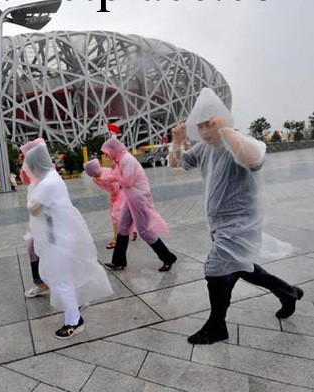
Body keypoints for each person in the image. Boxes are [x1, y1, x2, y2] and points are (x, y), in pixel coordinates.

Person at [168, 87, 303, 345]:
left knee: (215, 270)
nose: (205, 131)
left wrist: (225, 131)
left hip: (241, 222)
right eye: (201, 126)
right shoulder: (204, 148)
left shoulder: (237, 140)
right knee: (241, 267)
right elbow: (177, 165)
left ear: (221, 119)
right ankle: (288, 292)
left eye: (209, 124)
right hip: (219, 223)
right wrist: (175, 141)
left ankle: (216, 326)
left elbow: (254, 158)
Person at [24, 142, 113, 338]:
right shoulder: (52, 177)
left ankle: (74, 321)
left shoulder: (47, 183)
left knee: (60, 278)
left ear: (36, 167)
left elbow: (33, 209)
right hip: (59, 235)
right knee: (63, 276)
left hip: (57, 238)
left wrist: (31, 197)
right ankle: (75, 309)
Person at [100, 136, 177, 272]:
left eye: (108, 152)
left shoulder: (127, 160)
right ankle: (118, 261)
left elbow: (128, 181)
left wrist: (115, 178)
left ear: (114, 149)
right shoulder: (120, 160)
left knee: (144, 231)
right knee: (123, 227)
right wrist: (103, 178)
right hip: (130, 199)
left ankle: (168, 257)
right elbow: (116, 177)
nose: (107, 155)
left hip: (139, 199)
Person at [20, 139, 50, 298]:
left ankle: (42, 283)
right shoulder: (37, 176)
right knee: (34, 250)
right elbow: (25, 180)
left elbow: (37, 206)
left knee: (36, 249)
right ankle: (41, 282)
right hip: (39, 223)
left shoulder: (45, 179)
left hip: (46, 223)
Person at [83, 158, 136, 249]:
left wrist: (116, 168)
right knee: (120, 214)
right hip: (115, 195)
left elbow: (117, 178)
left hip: (120, 194)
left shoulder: (102, 177)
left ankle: (116, 239)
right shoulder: (98, 178)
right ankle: (133, 230)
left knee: (115, 215)